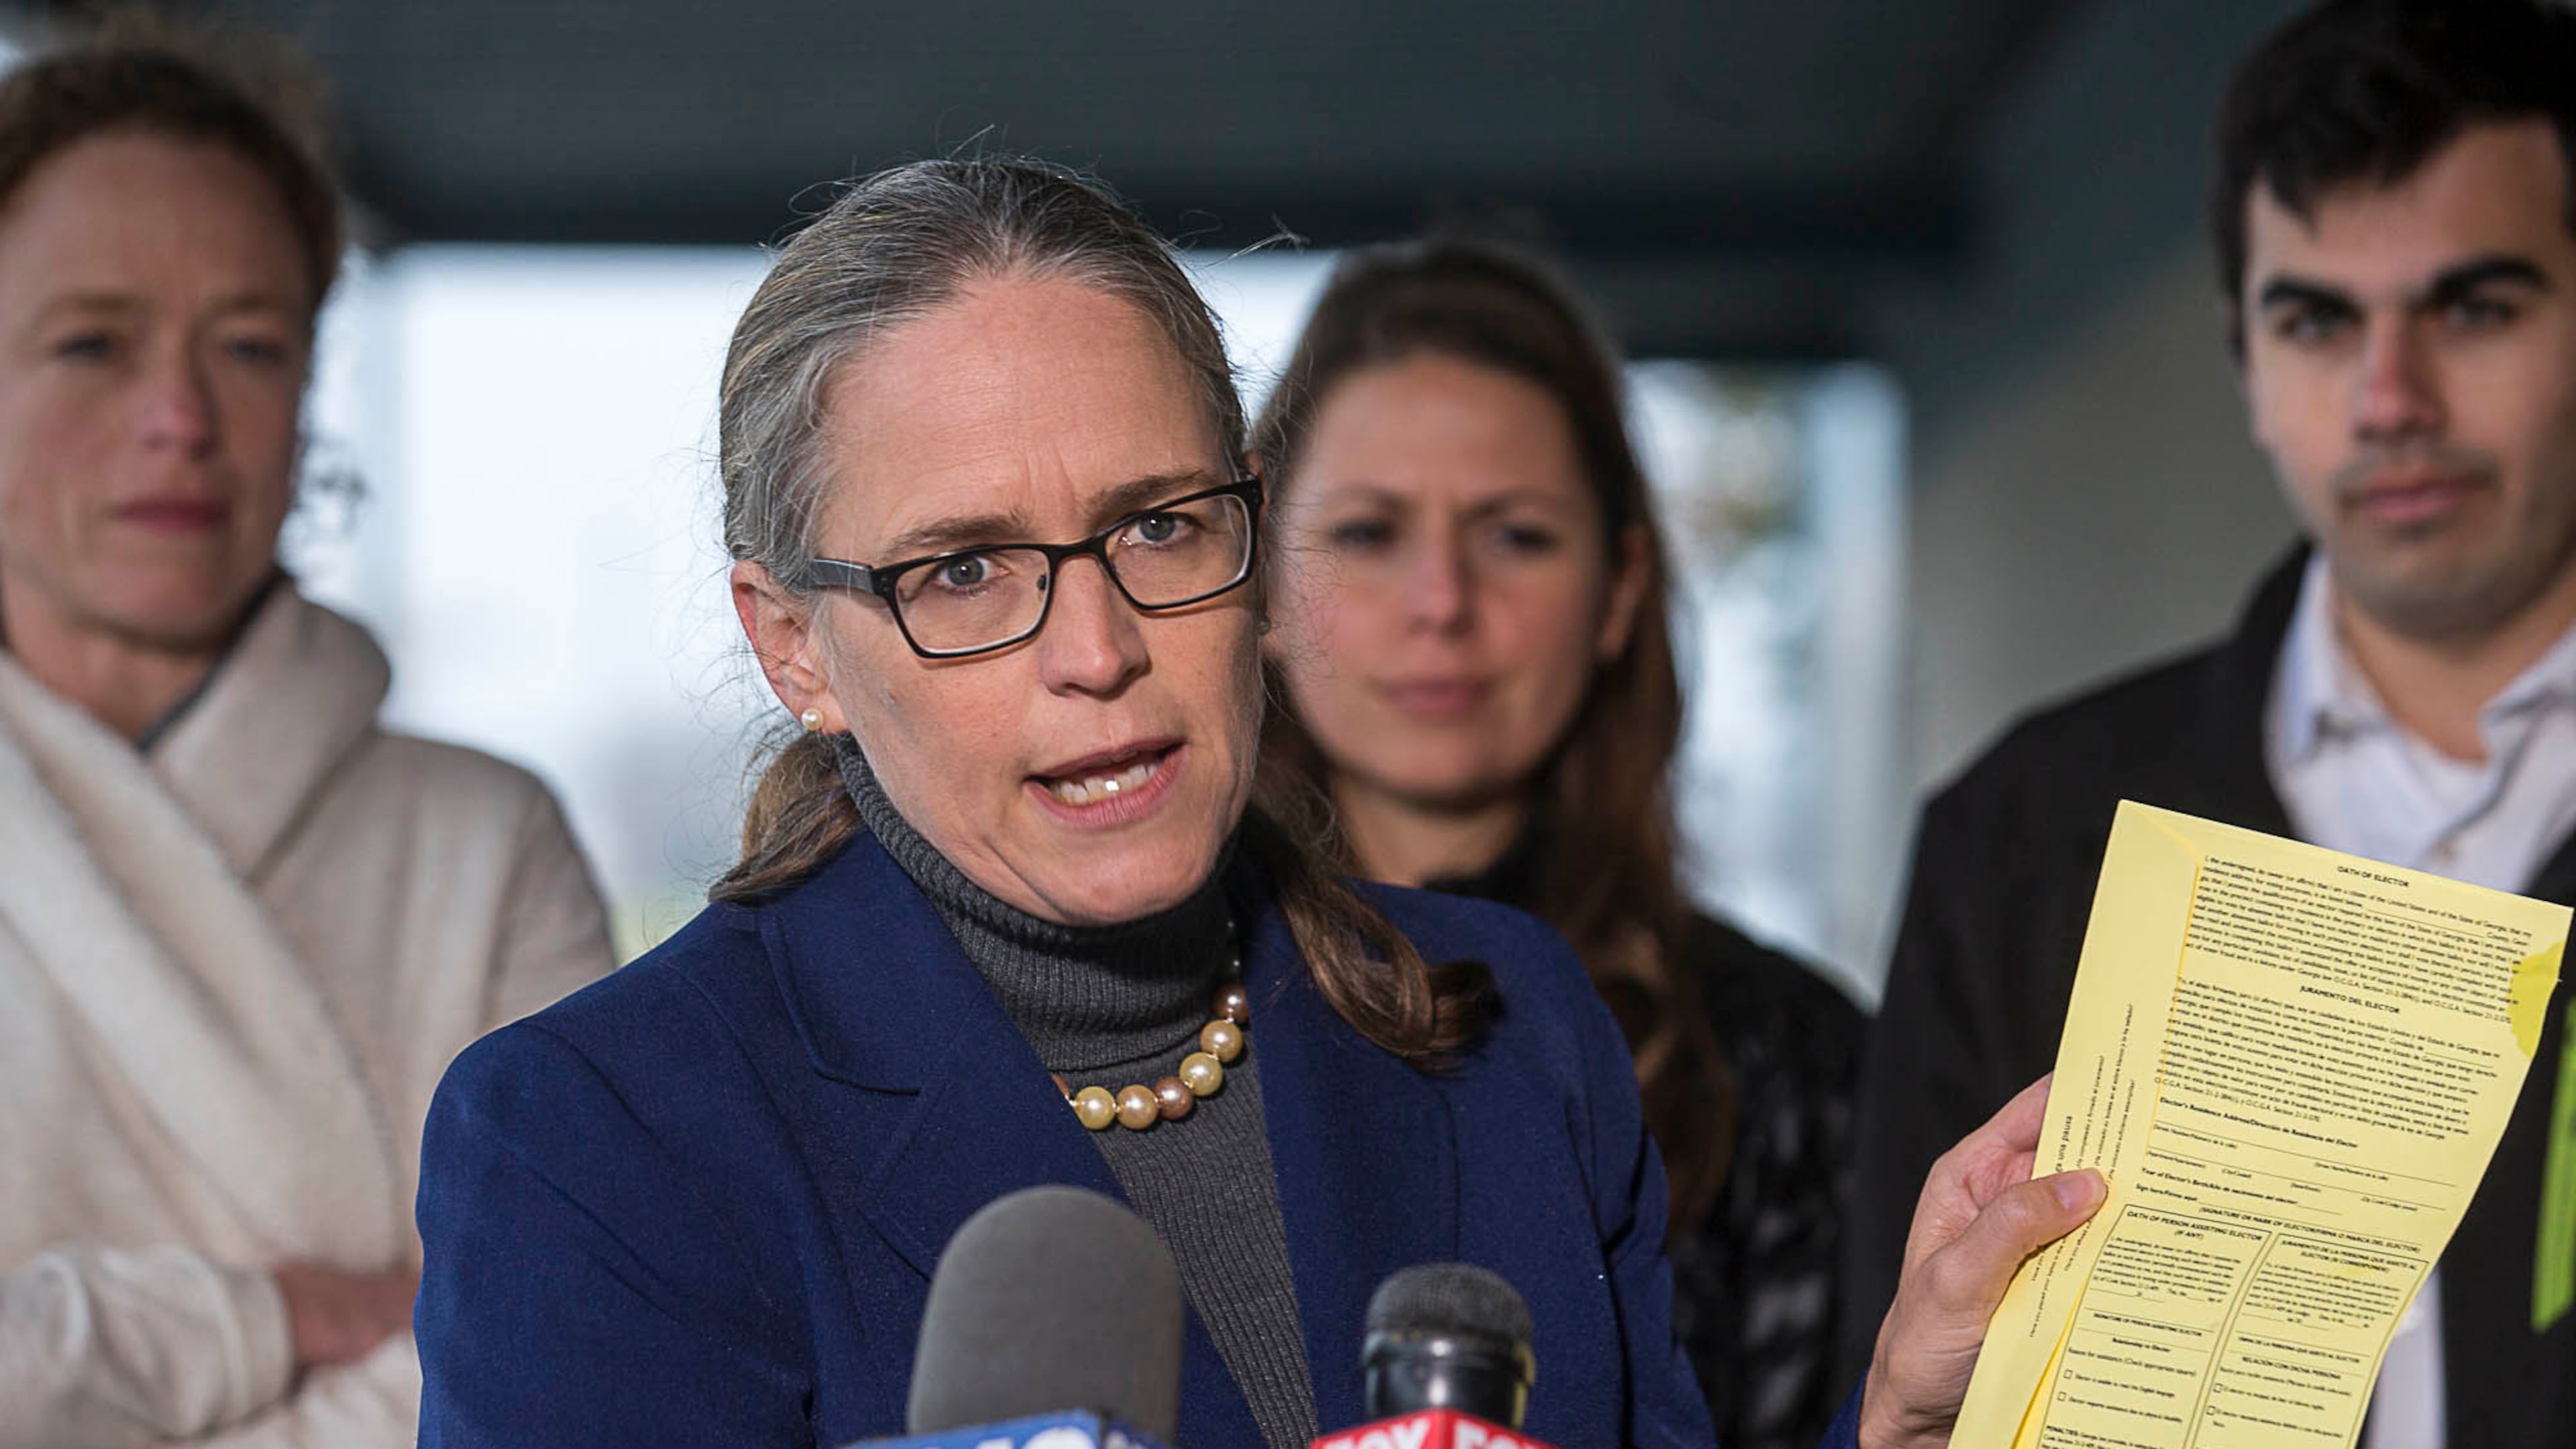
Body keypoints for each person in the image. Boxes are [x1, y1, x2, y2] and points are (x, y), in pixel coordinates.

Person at [411, 156, 2100, 1449]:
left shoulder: (1515, 1031)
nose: (1098, 648)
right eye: (967, 569)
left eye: (1159, 527)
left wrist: (1898, 1422)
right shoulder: (597, 1144)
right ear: (798, 649)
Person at [1846, 3, 2576, 1447]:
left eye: (2474, 308)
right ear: (2245, 361)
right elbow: (1895, 1399)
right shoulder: (2022, 838)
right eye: (2318, 320)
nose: (2391, 401)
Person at [0, 30, 617, 1448]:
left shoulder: (483, 841)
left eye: (251, 345)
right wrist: (268, 1318)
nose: (180, 418)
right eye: (93, 341)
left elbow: (552, 1342)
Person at [1250, 237, 1863, 1449]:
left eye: (1516, 535)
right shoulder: (1148, 1010)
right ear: (1259, 570)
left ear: (1622, 589)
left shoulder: (1792, 1059)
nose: (1441, 603)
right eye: (1370, 533)